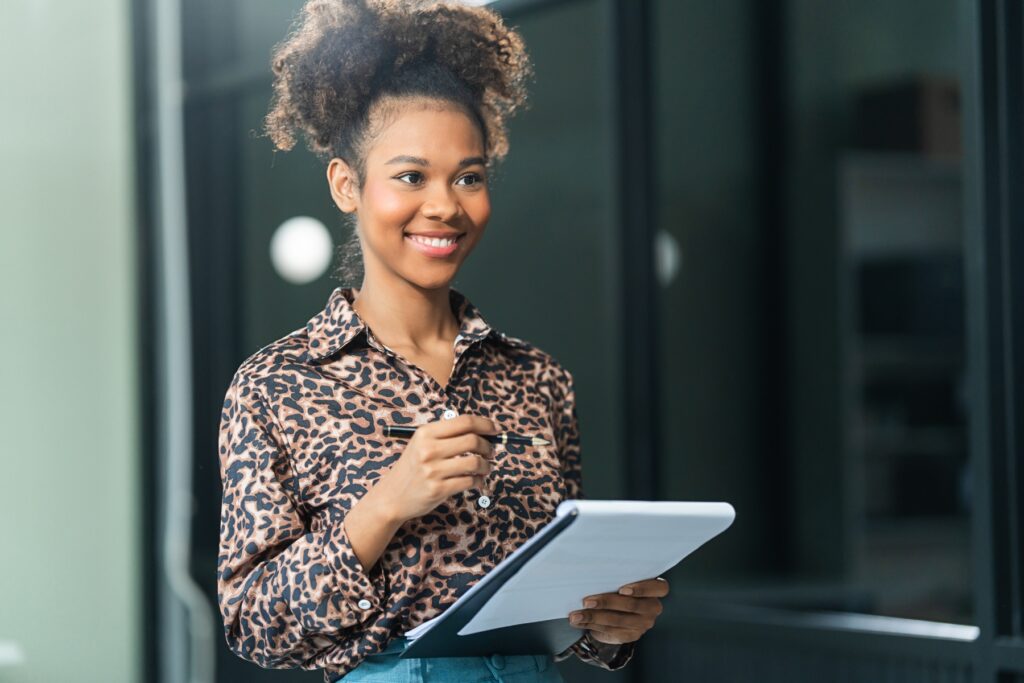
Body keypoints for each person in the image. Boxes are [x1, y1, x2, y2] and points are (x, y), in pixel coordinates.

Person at [216, 1, 669, 680]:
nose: (446, 205)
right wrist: (385, 503)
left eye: (469, 176)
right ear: (347, 185)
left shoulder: (538, 379)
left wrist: (608, 627)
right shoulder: (278, 383)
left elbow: (553, 607)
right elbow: (254, 624)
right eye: (410, 176)